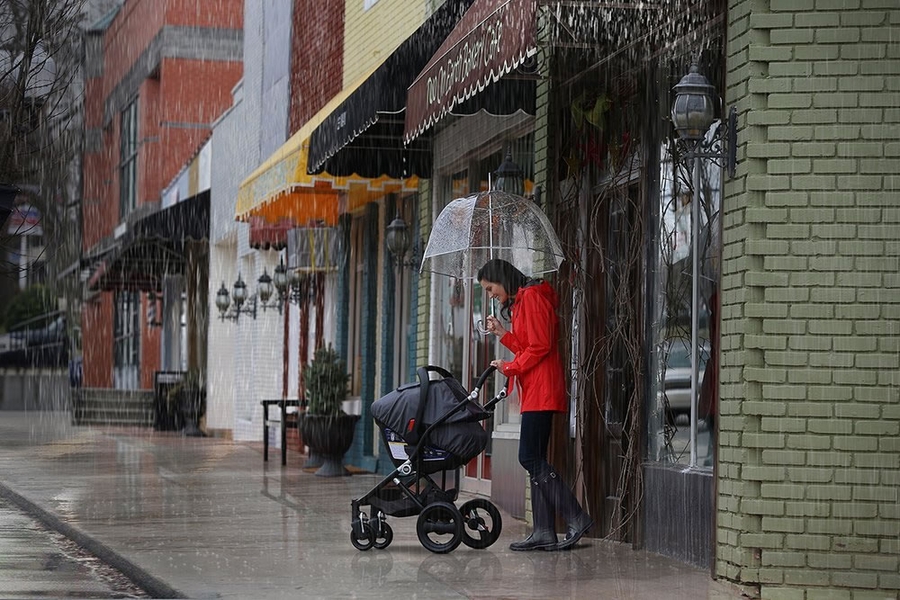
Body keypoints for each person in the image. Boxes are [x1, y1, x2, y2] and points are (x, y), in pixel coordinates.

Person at [478, 258, 592, 551]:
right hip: (535, 390)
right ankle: (543, 530)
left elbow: (542, 346)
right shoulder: (522, 300)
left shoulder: (531, 296)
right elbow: (528, 346)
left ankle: (576, 516)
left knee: (528, 457)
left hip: (542, 389)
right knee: (535, 457)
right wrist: (503, 334)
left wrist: (510, 368)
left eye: (490, 288)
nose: (490, 295)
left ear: (501, 279)